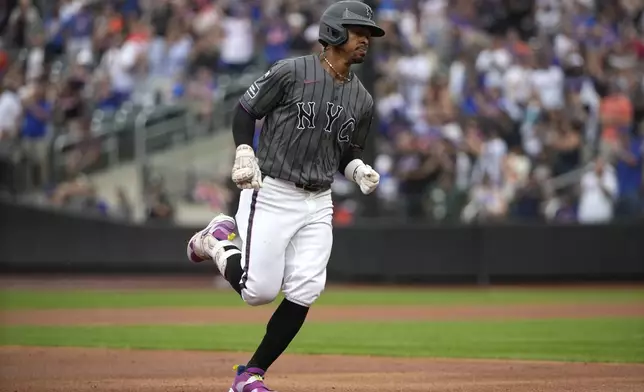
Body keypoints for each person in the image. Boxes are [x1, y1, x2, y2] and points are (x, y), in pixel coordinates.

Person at [185, 2, 384, 391]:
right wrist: (244, 149)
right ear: (333, 33)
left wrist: (357, 169)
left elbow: (346, 150)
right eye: (358, 31)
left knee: (307, 288)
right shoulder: (292, 71)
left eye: (369, 34)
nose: (365, 40)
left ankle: (250, 374)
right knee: (258, 293)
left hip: (319, 199)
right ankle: (216, 242)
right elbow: (245, 111)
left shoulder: (362, 99)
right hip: (273, 190)